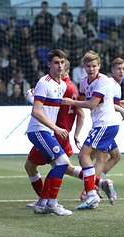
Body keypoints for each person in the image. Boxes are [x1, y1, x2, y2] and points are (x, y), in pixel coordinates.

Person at [61, 50, 121, 210]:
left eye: (94, 66)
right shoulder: (83, 82)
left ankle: (91, 193)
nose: (91, 69)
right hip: (99, 125)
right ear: (84, 67)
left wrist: (71, 103)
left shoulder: (103, 81)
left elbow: (92, 104)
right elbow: (81, 103)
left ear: (99, 66)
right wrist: (76, 133)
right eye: (88, 66)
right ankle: (98, 186)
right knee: (90, 160)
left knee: (83, 156)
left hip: (105, 125)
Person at [24, 59, 85, 207]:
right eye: (56, 64)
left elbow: (49, 111)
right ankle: (45, 201)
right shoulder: (61, 86)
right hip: (55, 131)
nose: (59, 69)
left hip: (54, 131)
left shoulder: (64, 87)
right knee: (36, 166)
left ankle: (46, 201)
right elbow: (51, 108)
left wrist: (32, 99)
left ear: (66, 71)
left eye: (62, 66)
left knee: (60, 165)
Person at [86, 57, 124, 205]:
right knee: (101, 158)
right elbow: (106, 102)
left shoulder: (116, 85)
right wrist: (121, 111)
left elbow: (109, 101)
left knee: (116, 156)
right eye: (118, 69)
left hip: (107, 125)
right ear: (112, 70)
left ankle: (97, 183)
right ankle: (90, 188)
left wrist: (119, 104)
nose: (121, 71)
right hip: (105, 125)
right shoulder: (111, 84)